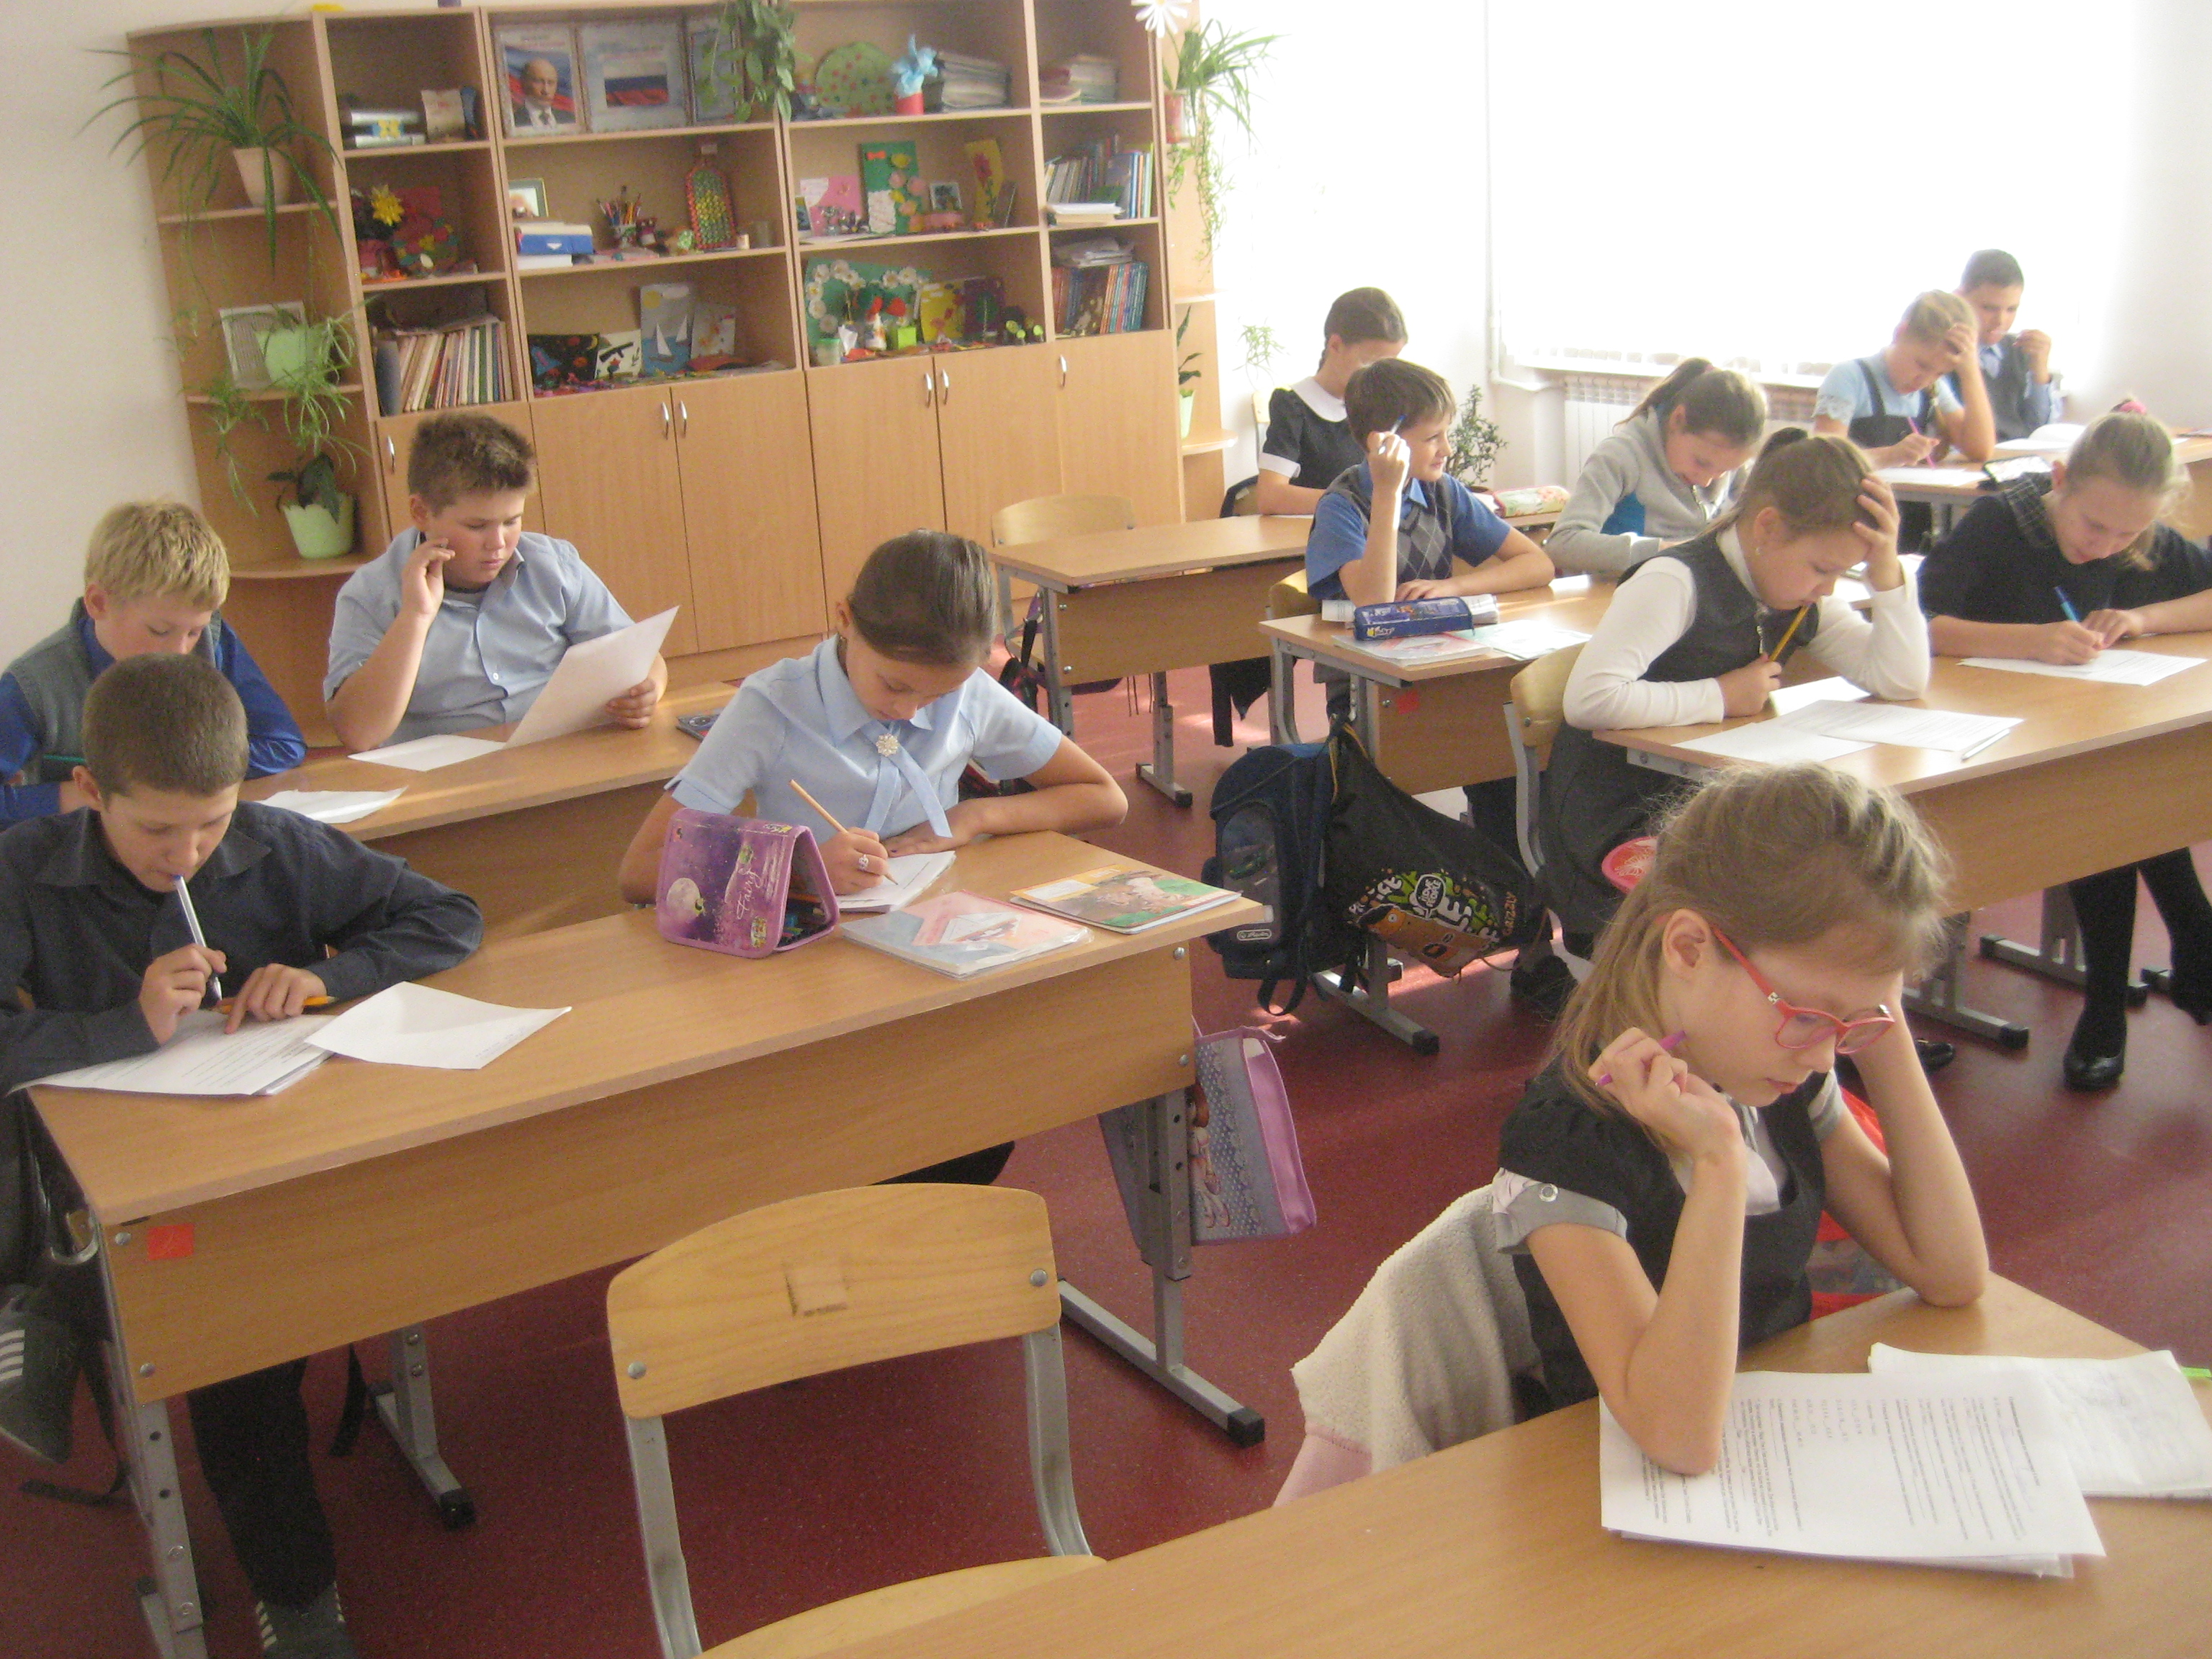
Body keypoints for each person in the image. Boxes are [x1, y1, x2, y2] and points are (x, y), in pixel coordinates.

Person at [0, 654, 482, 1658]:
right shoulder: (25, 869)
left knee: (247, 1342)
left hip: (268, 1164)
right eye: (156, 830)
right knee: (224, 1339)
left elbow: (450, 917)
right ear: (90, 790)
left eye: (211, 823)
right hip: (115, 1184)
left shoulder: (274, 844)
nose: (186, 854)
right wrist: (121, 1025)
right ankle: (297, 1596)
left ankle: (59, 1317)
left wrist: (321, 977)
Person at [1496, 763, 1986, 1471]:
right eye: (1806, 1015)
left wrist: (1875, 1014)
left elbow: (1950, 1271)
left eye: (1851, 1026)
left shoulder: (1777, 1076)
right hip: (1608, 1489)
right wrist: (1720, 1166)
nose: (1824, 1058)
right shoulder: (1567, 1139)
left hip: (1776, 1449)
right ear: (1689, 948)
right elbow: (1678, 1437)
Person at [618, 530, 1126, 1182]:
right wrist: (797, 871)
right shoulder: (772, 706)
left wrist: (974, 817)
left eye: (934, 698)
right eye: (894, 685)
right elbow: (640, 871)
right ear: (844, 620)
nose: (910, 710)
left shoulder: (965, 692)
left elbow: (1103, 797)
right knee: (861, 1134)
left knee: (985, 1111)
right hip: (806, 976)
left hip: (929, 956)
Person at [1539, 431, 1930, 952]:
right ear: (1767, 527)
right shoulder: (1675, 581)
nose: (1829, 588)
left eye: (1843, 572)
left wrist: (1889, 575)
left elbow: (1900, 680)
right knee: (1793, 896)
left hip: (1717, 805)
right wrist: (1718, 696)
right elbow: (1589, 700)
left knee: (1833, 877)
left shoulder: (1799, 595)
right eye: (1822, 569)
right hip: (1622, 811)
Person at [1919, 410, 2212, 1089]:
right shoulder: (1999, 525)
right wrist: (2030, 639)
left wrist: (2141, 617)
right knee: (2104, 801)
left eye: (2127, 534)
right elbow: (1919, 625)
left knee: (2124, 783)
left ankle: (2134, 979)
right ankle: (2172, 945)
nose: (2106, 547)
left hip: (2081, 736)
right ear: (2060, 479)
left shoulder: (2134, 535)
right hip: (1979, 737)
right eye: (2094, 526)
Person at [325, 412, 664, 750]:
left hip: (555, 748)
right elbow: (358, 733)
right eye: (477, 526)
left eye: (511, 521)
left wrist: (649, 689)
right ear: (421, 512)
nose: (498, 543)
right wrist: (415, 617)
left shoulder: (553, 565)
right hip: (443, 765)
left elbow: (641, 656)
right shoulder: (370, 593)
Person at [0, 501, 304, 825]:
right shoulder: (31, 687)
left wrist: (175, 775)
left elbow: (282, 744)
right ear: (99, 603)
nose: (180, 652)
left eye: (194, 632)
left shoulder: (211, 641)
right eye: (159, 631)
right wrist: (75, 795)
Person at [1547, 361, 1766, 578]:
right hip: (1623, 588)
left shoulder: (1727, 457)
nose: (1707, 481)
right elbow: (1563, 544)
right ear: (1677, 420)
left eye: (1725, 471)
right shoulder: (1620, 456)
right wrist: (1666, 551)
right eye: (1701, 462)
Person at [1254, 287, 1409, 517]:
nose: (1380, 378)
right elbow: (1270, 497)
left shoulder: (1384, 405)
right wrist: (1361, 501)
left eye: (1389, 366)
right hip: (1312, 532)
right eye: (1371, 364)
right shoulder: (1293, 406)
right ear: (1335, 345)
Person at [1812, 290, 1996, 469]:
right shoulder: (1849, 377)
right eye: (1922, 365)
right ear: (1900, 333)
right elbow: (1825, 460)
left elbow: (1980, 451)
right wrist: (1891, 455)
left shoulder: (1935, 387)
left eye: (1940, 373)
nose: (1924, 381)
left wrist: (1970, 371)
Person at [1954, 248, 2059, 443]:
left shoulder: (2021, 350)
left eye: (2011, 309)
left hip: (2019, 456)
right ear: (1960, 298)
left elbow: (2040, 431)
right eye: (1989, 308)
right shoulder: (1944, 354)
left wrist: (2039, 372)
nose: (2000, 321)